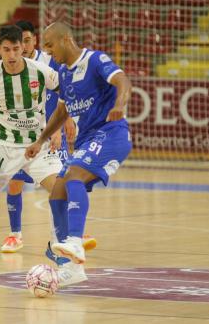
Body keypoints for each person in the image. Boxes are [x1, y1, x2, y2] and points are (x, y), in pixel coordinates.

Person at [25, 22, 133, 286]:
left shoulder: (94, 60)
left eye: (50, 45)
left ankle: (75, 241)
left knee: (73, 177)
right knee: (58, 192)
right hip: (86, 140)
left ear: (65, 39)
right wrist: (40, 139)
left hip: (112, 133)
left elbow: (123, 80)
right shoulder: (62, 73)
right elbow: (61, 113)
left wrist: (119, 105)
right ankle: (73, 270)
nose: (48, 52)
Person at [0, 25, 63, 272]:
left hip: (37, 146)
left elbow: (66, 91)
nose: (12, 55)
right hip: (3, 148)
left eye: (16, 49)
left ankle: (56, 246)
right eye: (6, 50)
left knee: (62, 190)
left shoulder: (41, 71)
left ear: (23, 47)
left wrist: (62, 122)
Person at [0, 20, 97, 254]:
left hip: (49, 133)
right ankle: (15, 235)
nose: (22, 46)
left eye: (26, 40)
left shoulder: (49, 61)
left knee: (60, 184)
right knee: (14, 183)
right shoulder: (9, 65)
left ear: (34, 40)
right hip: (20, 135)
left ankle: (70, 234)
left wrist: (67, 121)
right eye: (18, 42)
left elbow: (65, 91)